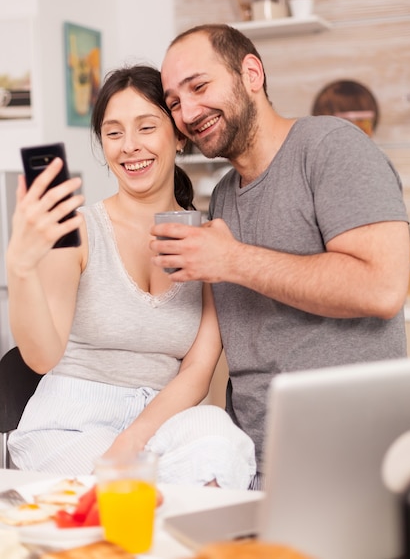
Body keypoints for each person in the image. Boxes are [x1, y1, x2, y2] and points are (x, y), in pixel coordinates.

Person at [152, 23, 410, 489]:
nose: (188, 112)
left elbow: (383, 286)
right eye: (173, 102)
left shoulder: (332, 146)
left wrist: (231, 260)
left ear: (251, 73)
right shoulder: (225, 197)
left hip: (349, 462)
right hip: (254, 462)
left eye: (200, 86)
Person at [6, 64, 256, 488]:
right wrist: (21, 267)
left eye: (146, 127)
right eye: (114, 132)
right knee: (126, 496)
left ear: (179, 135)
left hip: (159, 417)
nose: (130, 147)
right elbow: (42, 357)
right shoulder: (79, 230)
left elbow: (197, 369)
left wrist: (133, 439)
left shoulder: (208, 235)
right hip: (71, 422)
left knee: (219, 443)